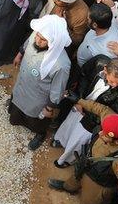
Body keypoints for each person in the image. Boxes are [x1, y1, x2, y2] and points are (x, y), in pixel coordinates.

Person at [9, 15, 72, 150]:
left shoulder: (61, 64)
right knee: (15, 113)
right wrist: (19, 54)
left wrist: (49, 108)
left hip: (38, 98)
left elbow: (58, 90)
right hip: (22, 85)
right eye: (37, 35)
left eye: (43, 40)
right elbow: (27, 43)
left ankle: (40, 134)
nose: (38, 40)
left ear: (54, 42)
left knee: (36, 121)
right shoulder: (38, 34)